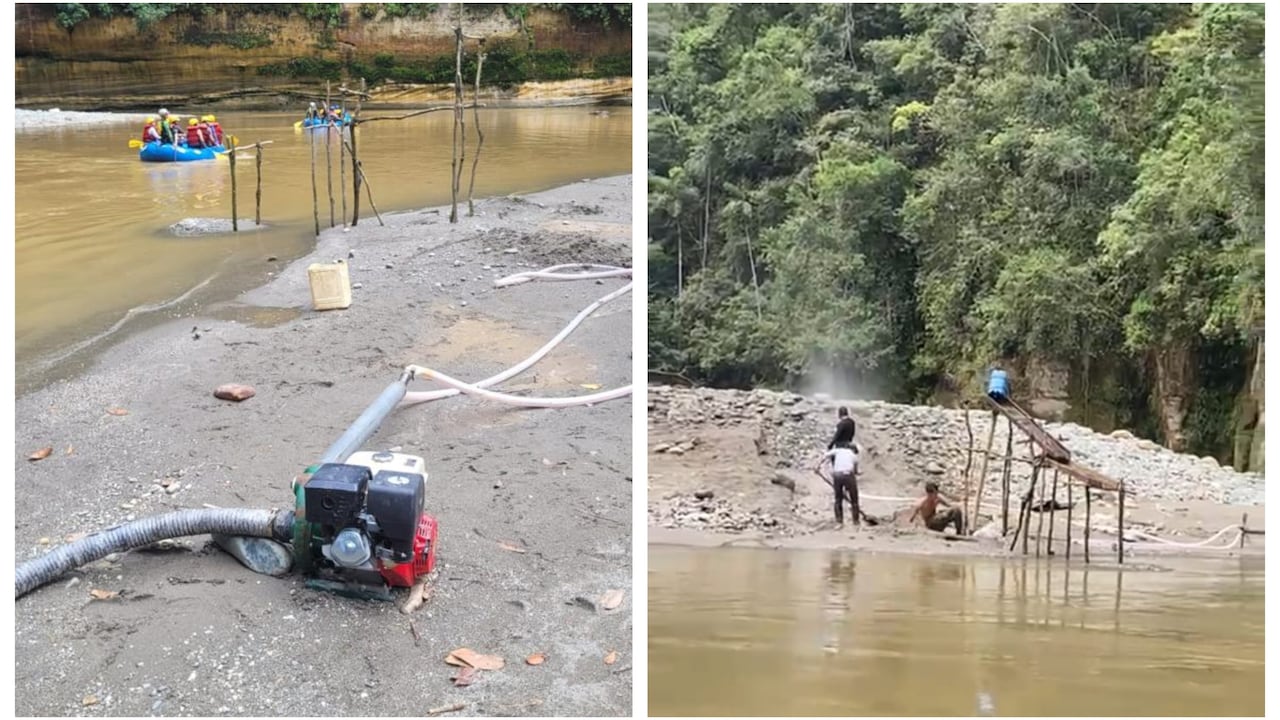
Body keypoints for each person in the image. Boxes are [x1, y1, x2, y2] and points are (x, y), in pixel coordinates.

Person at [815, 443, 860, 528]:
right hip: (849, 475)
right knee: (854, 499)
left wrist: (817, 467)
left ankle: (839, 522)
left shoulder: (838, 450)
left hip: (837, 475)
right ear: (854, 450)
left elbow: (825, 455)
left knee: (838, 499)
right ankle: (856, 522)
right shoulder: (853, 456)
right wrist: (856, 473)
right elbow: (855, 471)